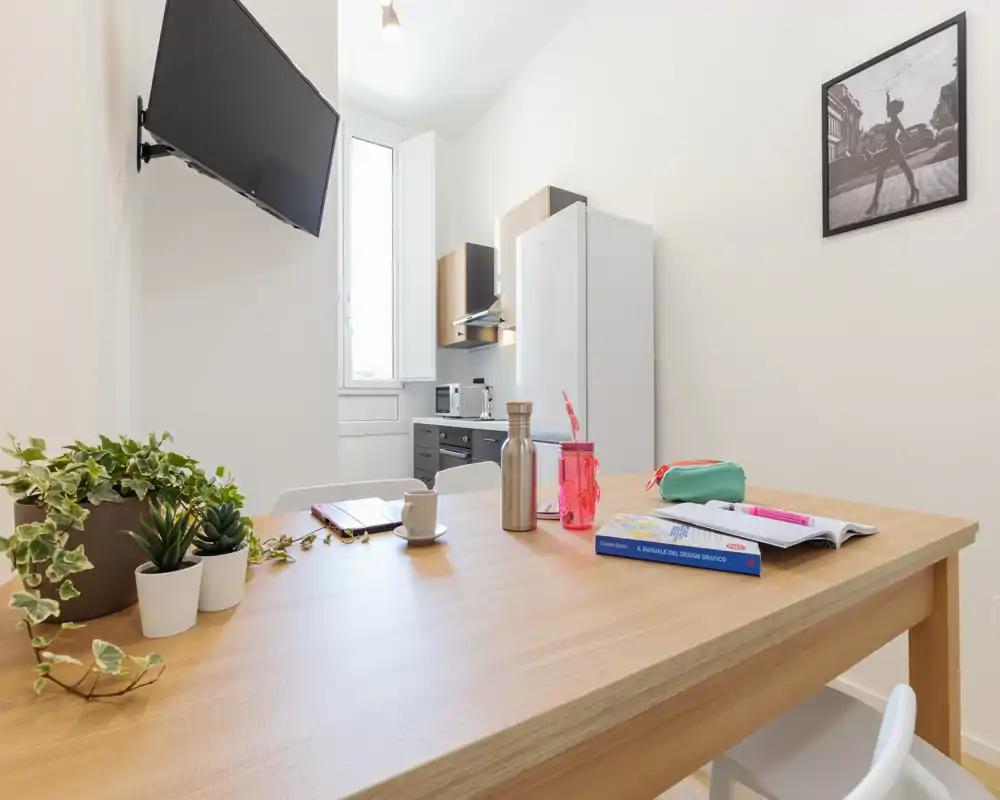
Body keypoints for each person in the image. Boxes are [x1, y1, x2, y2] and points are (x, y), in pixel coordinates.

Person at [864, 92, 919, 217]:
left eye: (890, 109)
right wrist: (887, 96)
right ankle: (875, 202)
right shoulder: (892, 117)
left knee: (905, 169)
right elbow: (887, 108)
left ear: (894, 109)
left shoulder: (895, 118)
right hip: (890, 148)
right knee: (881, 174)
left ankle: (914, 190)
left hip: (894, 148)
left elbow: (903, 130)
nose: (888, 111)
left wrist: (910, 138)